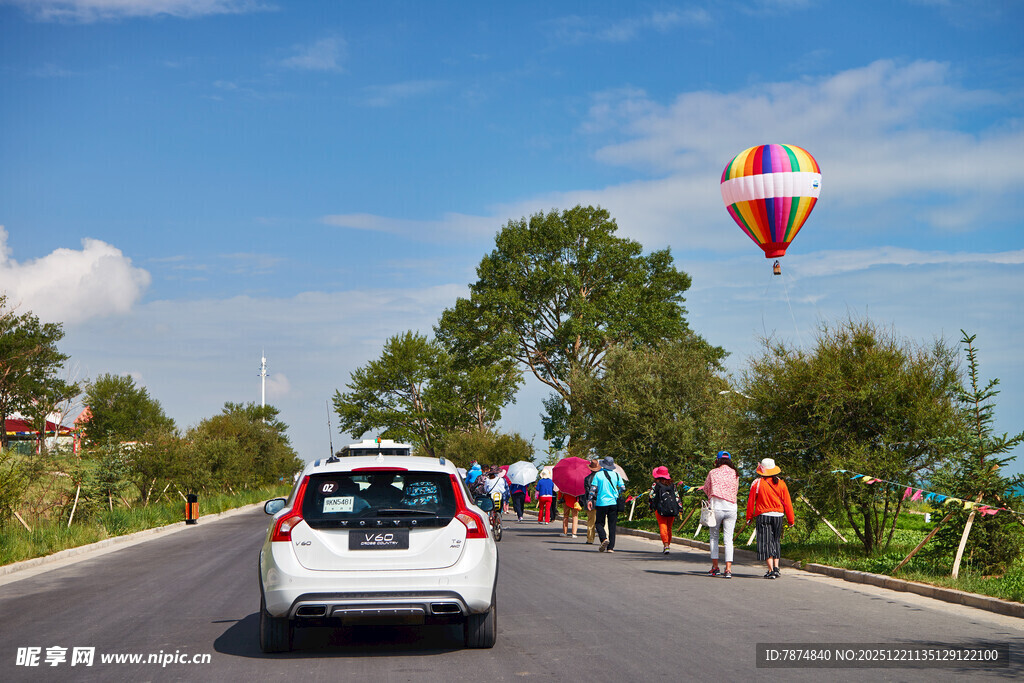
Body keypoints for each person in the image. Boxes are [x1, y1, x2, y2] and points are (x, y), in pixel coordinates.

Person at [744, 458, 795, 579]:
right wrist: (791, 519)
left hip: (763, 515)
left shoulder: (757, 484)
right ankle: (776, 568)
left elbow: (751, 502)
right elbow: (788, 502)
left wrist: (749, 517)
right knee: (776, 541)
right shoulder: (781, 483)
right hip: (778, 515)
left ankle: (771, 570)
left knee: (765, 542)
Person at [702, 451, 740, 577]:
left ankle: (715, 567)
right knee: (728, 539)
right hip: (731, 508)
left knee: (714, 537)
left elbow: (707, 489)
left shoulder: (713, 472)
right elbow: (736, 490)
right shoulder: (735, 473)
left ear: (717, 460)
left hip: (716, 507)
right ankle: (728, 569)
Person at [587, 456, 625, 552]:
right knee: (612, 525)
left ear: (603, 464)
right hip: (613, 502)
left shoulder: (598, 475)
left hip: (601, 502)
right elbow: (623, 487)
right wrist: (617, 493)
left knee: (599, 523)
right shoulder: (616, 475)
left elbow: (593, 489)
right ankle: (611, 548)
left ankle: (604, 538)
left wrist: (590, 500)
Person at [648, 466, 682, 554]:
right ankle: (667, 545)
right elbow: (677, 496)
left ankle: (666, 545)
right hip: (672, 508)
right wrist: (680, 508)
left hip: (660, 508)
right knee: (669, 527)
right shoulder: (672, 485)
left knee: (662, 525)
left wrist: (651, 507)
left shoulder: (655, 485)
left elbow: (651, 496)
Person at [582, 458, 600, 544]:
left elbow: (587, 491)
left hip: (590, 502)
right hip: (600, 502)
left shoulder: (587, 478)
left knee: (590, 521)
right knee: (603, 520)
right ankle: (606, 537)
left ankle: (590, 538)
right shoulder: (601, 478)